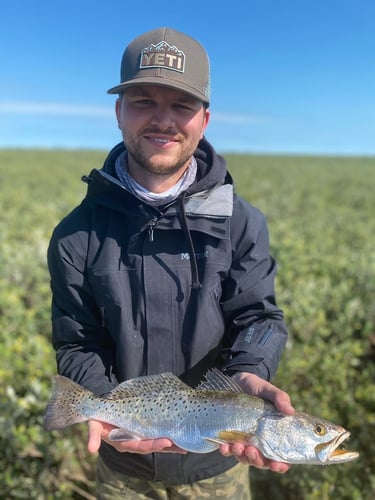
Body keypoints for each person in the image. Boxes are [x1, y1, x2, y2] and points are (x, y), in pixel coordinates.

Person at [47, 27, 295, 499]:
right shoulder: (75, 235)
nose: (163, 120)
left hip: (216, 461)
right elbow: (77, 341)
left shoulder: (241, 223)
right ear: (119, 112)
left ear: (204, 119)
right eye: (143, 101)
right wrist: (101, 405)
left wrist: (251, 370)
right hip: (123, 462)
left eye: (181, 105)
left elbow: (258, 317)